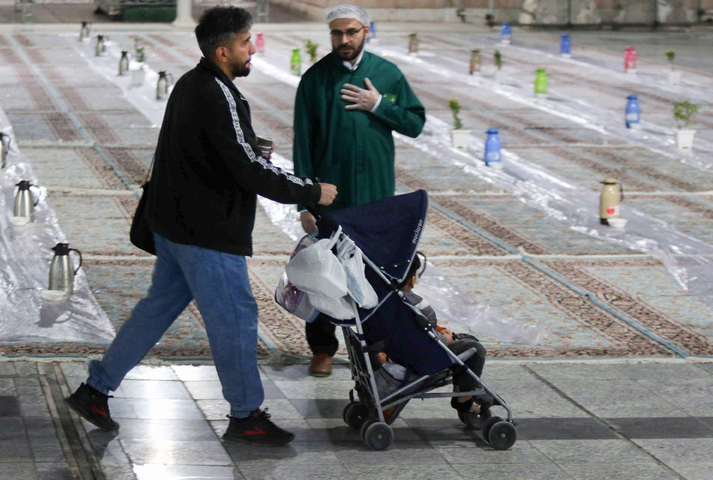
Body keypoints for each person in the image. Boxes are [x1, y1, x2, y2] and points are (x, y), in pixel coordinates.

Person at [65, 6, 337, 447]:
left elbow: (219, 153)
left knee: (156, 310)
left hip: (176, 228)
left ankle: (95, 390)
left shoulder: (191, 84)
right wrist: (310, 190)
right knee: (235, 318)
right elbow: (248, 169)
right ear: (222, 50)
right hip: (207, 234)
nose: (253, 50)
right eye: (247, 43)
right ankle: (246, 414)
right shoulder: (217, 92)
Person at [293, 4, 426, 376]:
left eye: (351, 32)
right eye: (337, 33)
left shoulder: (387, 74)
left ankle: (377, 348)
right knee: (324, 271)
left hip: (376, 195)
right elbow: (303, 143)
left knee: (376, 273)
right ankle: (322, 349)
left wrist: (379, 105)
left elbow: (415, 123)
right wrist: (305, 201)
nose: (344, 40)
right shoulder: (315, 79)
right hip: (331, 197)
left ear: (367, 30)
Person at [395, 253, 492, 416]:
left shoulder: (388, 302)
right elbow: (415, 336)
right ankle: (464, 400)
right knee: (475, 349)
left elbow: (411, 328)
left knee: (466, 341)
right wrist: (443, 339)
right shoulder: (408, 304)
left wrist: (437, 330)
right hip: (423, 356)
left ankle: (460, 390)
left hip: (412, 346)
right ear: (412, 279)